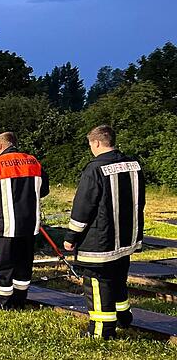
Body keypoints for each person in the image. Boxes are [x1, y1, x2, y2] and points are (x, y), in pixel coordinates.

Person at [63, 125, 145, 339]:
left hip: (100, 241)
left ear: (97, 143)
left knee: (98, 284)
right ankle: (123, 317)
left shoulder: (95, 169)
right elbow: (140, 200)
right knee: (118, 279)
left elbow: (83, 207)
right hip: (125, 239)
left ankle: (102, 331)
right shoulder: (133, 165)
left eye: (91, 144)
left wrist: (71, 236)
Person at [0, 132, 49, 309]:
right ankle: (20, 299)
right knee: (24, 263)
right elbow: (44, 190)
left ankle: (3, 302)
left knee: (4, 265)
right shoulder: (33, 162)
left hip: (5, 225)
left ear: (0, 146)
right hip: (30, 224)